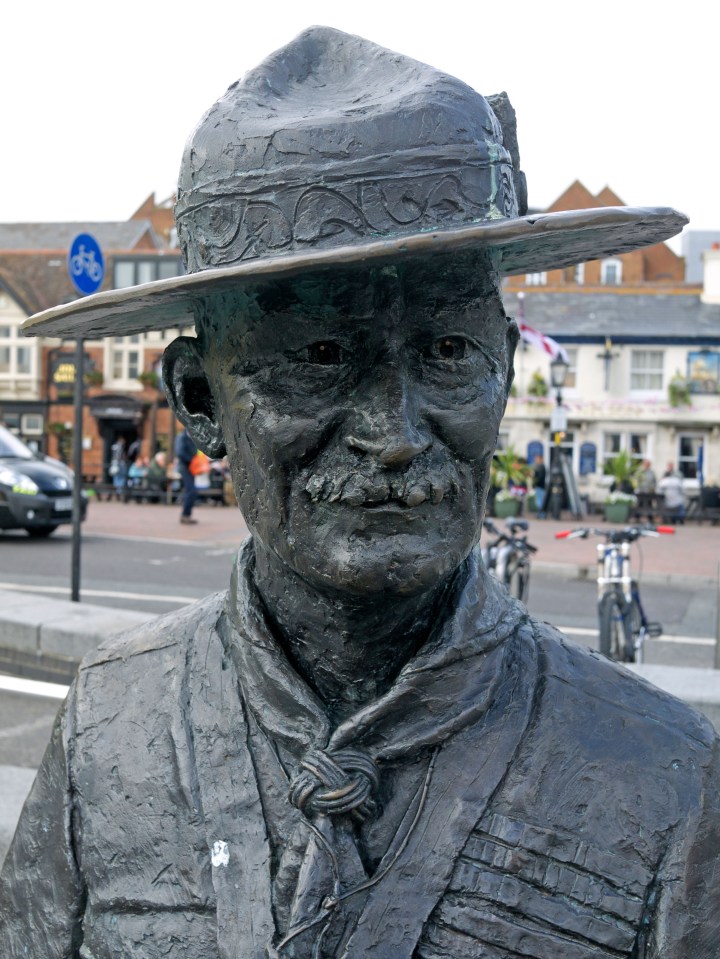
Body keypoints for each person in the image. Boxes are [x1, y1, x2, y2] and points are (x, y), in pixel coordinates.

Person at [2, 28, 717, 959]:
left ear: (503, 370)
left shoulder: (665, 778)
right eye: (320, 357)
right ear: (198, 401)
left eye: (449, 353)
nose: (396, 433)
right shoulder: (109, 720)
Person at [174, 427, 198, 524]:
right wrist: (191, 459)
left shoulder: (190, 437)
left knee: (190, 490)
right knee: (191, 490)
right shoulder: (182, 437)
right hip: (185, 467)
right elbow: (180, 452)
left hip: (191, 467)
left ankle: (186, 515)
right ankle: (185, 515)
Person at [532, 453, 547, 518]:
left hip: (540, 486)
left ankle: (542, 514)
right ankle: (541, 514)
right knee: (540, 500)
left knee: (539, 501)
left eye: (536, 459)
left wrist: (534, 476)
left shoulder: (540, 467)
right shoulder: (542, 466)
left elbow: (539, 477)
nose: (535, 460)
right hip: (541, 486)